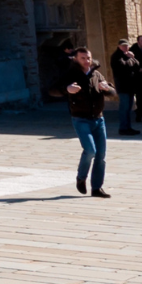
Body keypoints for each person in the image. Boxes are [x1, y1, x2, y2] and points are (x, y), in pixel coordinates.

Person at [55, 46, 114, 197]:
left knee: (101, 156)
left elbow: (113, 92)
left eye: (88, 58)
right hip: (81, 119)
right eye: (83, 58)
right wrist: (67, 89)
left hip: (98, 119)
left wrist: (106, 89)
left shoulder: (96, 74)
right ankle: (81, 178)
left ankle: (97, 188)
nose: (87, 61)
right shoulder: (70, 74)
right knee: (90, 150)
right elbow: (53, 89)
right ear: (76, 59)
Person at [111, 40, 142, 136]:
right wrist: (128, 58)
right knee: (124, 108)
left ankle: (128, 127)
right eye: (123, 46)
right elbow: (122, 68)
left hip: (130, 86)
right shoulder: (117, 56)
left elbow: (138, 66)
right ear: (119, 46)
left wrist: (133, 57)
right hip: (123, 86)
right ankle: (123, 128)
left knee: (129, 108)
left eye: (126, 46)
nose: (125, 48)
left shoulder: (128, 56)